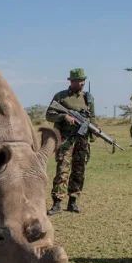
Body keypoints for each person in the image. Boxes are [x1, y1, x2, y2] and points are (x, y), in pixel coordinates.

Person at [46, 68, 96, 214]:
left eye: (83, 80)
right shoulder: (61, 97)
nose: (82, 83)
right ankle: (57, 203)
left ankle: (73, 201)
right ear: (71, 81)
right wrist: (64, 117)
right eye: (79, 80)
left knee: (79, 171)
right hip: (65, 139)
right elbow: (49, 115)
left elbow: (92, 118)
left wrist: (94, 132)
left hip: (82, 139)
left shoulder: (88, 98)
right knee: (62, 170)